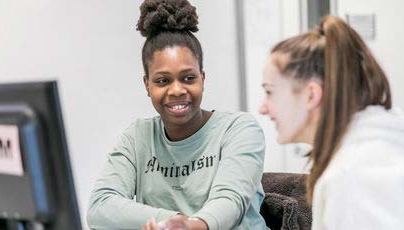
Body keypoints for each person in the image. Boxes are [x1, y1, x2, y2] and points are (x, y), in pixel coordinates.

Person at [87, 0, 267, 229]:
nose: (177, 90)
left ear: (203, 78)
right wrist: (170, 221)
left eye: (188, 78)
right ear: (147, 85)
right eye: (163, 81)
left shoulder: (239, 129)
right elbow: (100, 207)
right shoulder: (138, 137)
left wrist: (191, 226)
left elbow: (230, 200)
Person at [259, 15, 404, 229]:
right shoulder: (376, 151)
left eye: (270, 92)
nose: (262, 108)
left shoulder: (352, 177)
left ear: (311, 95)